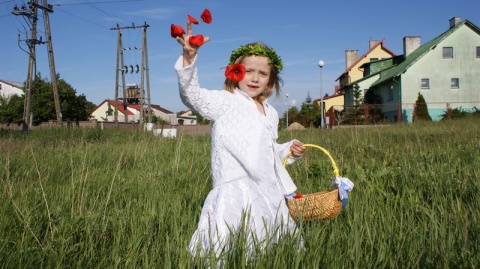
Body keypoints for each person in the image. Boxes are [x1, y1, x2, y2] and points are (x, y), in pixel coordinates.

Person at [174, 21, 306, 257]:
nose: (255, 78)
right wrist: (189, 58)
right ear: (235, 72)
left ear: (270, 79)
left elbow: (267, 149)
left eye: (263, 73)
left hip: (267, 189)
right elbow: (192, 96)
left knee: (268, 243)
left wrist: (287, 150)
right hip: (235, 186)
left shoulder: (271, 112)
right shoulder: (226, 102)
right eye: (249, 71)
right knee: (229, 245)